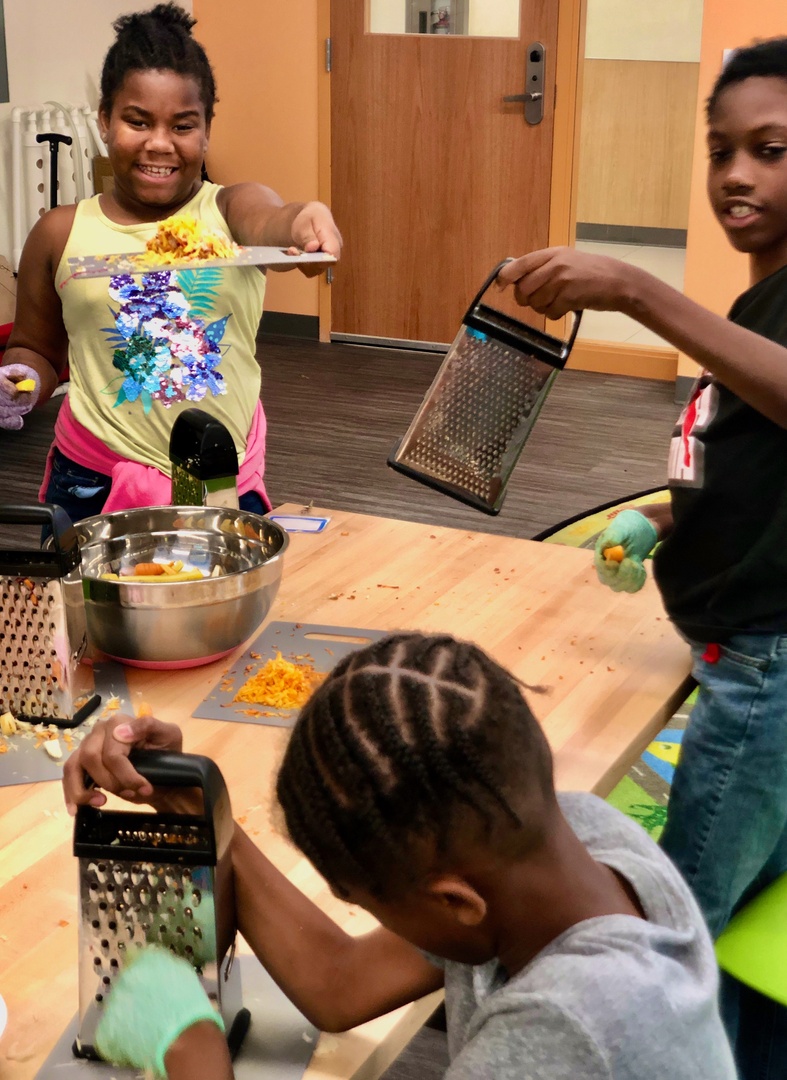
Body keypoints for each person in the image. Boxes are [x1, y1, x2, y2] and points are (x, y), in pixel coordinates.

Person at [497, 36, 787, 1080]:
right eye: (720, 150)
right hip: (745, 660)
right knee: (758, 921)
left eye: (770, 149)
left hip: (764, 679)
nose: (736, 174)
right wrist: (664, 521)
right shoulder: (758, 304)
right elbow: (754, 465)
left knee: (673, 934)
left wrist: (633, 287)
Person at [62, 632, 736, 1080]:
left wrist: (190, 1048)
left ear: (453, 902)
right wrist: (193, 801)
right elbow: (339, 983)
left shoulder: (563, 1034)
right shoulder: (578, 843)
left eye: (366, 902)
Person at [0, 3, 341, 520]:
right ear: (104, 121)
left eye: (183, 126)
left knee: (221, 602)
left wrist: (303, 220)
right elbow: (36, 347)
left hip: (219, 474)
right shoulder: (59, 232)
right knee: (88, 602)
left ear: (206, 131)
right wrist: (20, 379)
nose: (159, 144)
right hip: (93, 478)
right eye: (137, 121)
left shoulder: (229, 211)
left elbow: (273, 218)